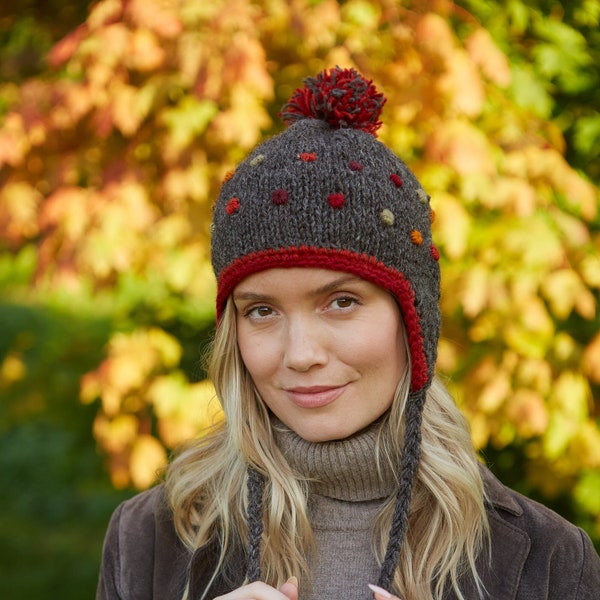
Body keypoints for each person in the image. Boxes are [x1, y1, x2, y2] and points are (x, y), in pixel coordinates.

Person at [96, 67, 600, 600]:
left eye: (341, 302)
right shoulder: (150, 540)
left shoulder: (549, 561)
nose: (301, 354)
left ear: (413, 323)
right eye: (261, 311)